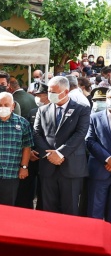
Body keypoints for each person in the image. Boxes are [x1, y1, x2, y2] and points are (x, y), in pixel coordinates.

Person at [33, 76, 90, 216]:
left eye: (53, 92)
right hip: (48, 166)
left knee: (70, 208)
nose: (49, 95)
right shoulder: (43, 110)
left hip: (71, 166)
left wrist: (60, 153)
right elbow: (36, 133)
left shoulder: (81, 109)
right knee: (48, 208)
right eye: (49, 91)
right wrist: (49, 154)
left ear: (65, 92)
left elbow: (80, 134)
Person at [15, 82, 49, 209]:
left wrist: (42, 151)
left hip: (46, 157)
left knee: (44, 192)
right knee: (25, 191)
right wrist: (29, 152)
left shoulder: (55, 112)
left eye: (40, 95)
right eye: (37, 95)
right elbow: (28, 132)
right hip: (31, 156)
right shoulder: (33, 111)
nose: (38, 98)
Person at [85, 88, 111, 219]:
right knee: (95, 211)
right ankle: (93, 239)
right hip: (99, 169)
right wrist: (107, 159)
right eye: (109, 98)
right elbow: (89, 141)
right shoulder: (94, 117)